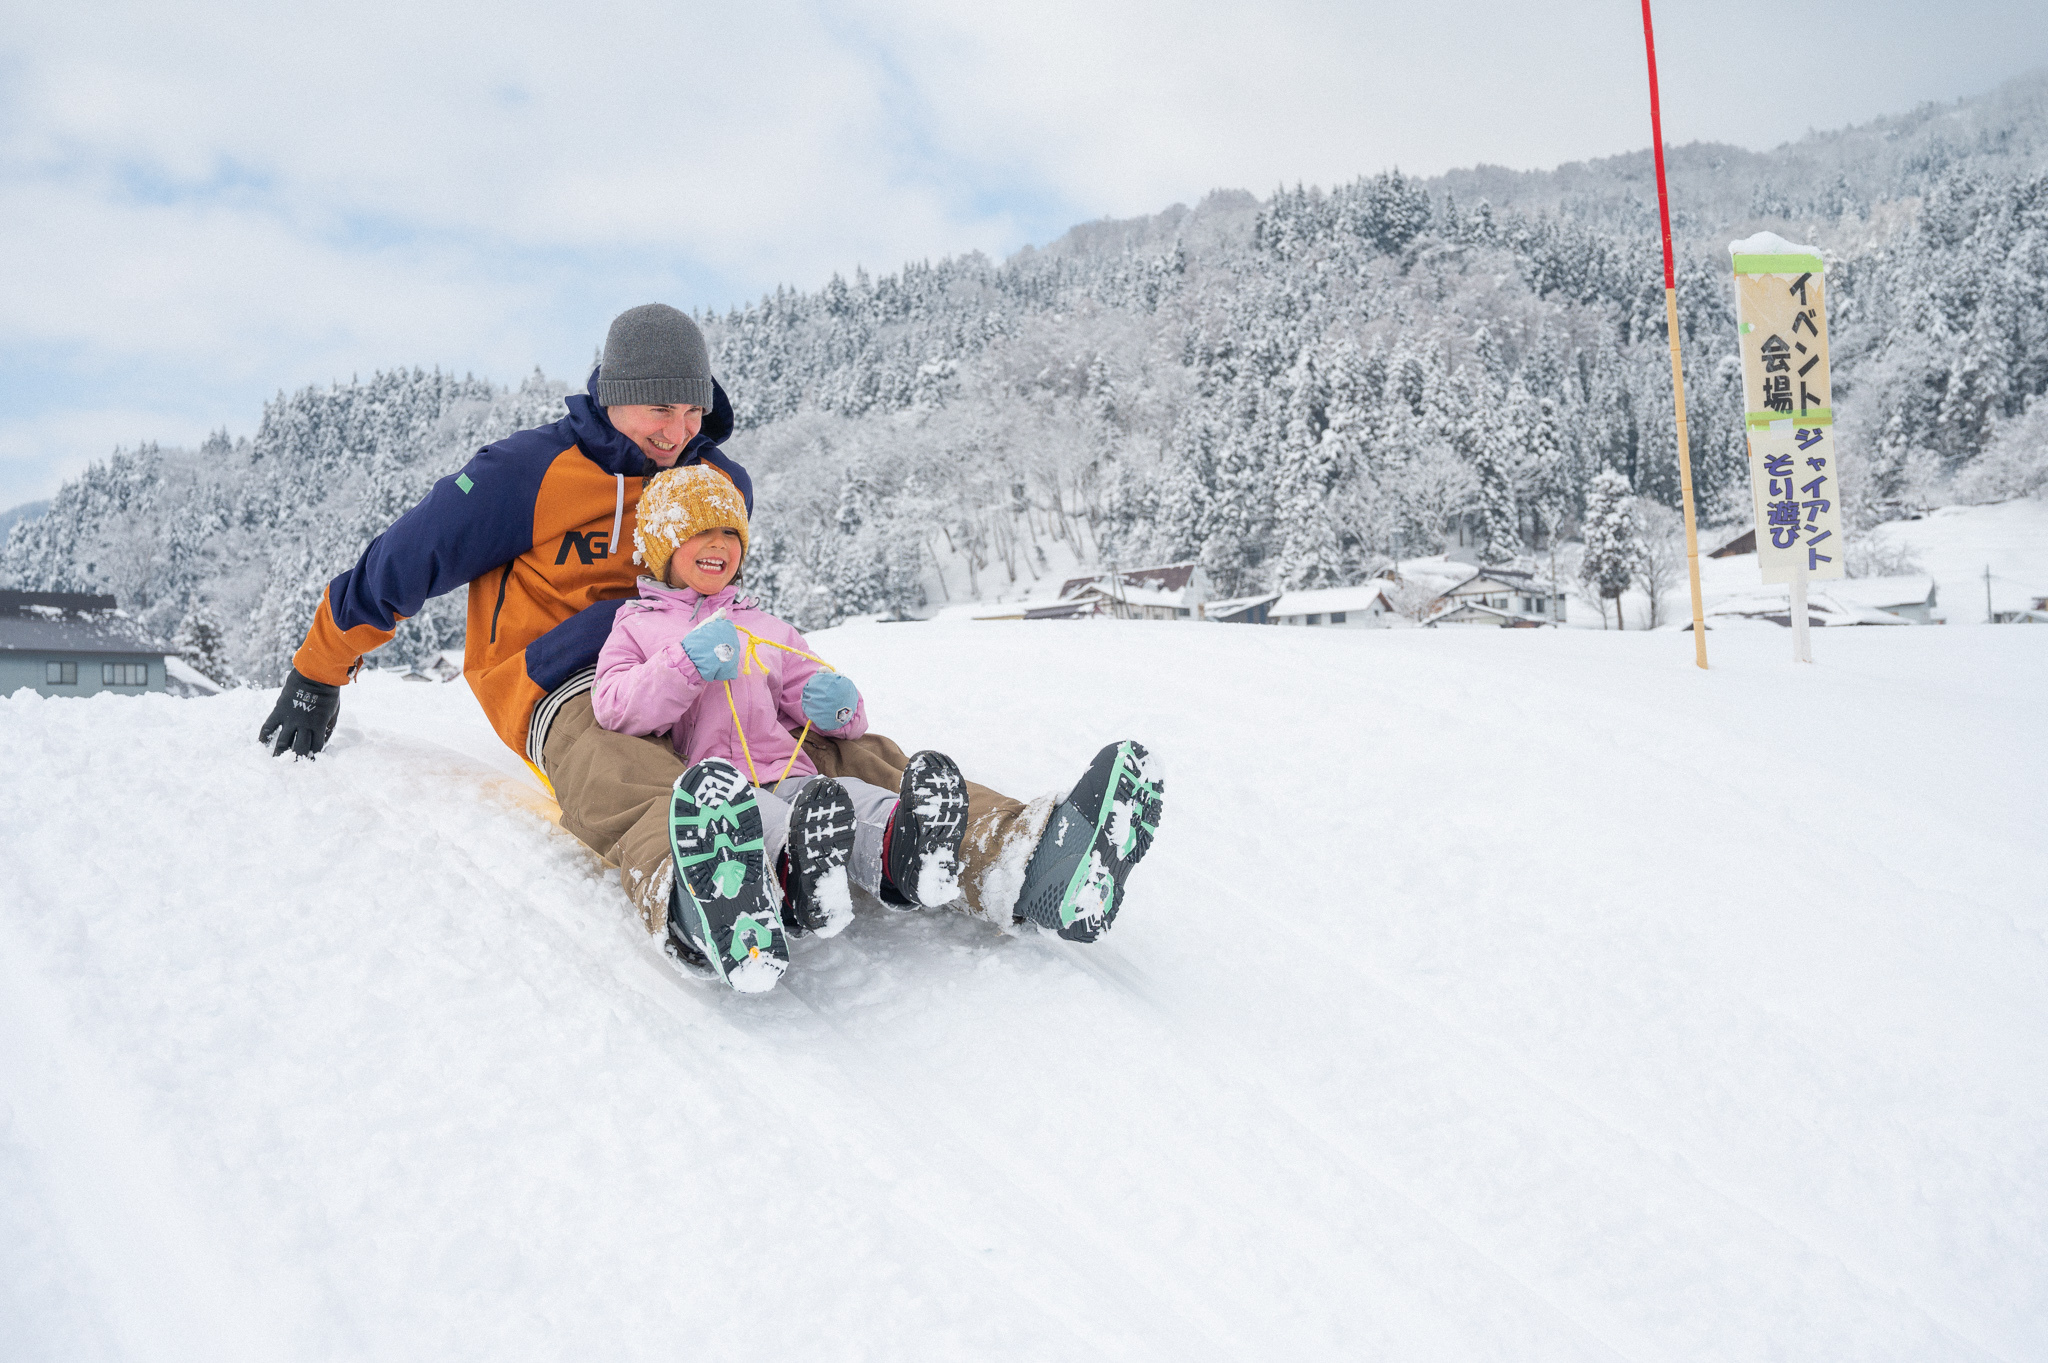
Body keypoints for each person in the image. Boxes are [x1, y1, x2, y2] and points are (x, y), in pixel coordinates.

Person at [256, 303, 1162, 969]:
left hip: (708, 663)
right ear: (614, 395)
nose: (677, 431)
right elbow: (404, 561)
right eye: (659, 411)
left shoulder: (711, 478)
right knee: (618, 767)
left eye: (691, 413)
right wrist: (318, 666)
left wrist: (789, 676)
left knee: (829, 742)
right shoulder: (525, 474)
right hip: (571, 681)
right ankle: (703, 887)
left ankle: (1011, 853)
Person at [590, 463, 982, 991]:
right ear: (664, 545)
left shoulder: (768, 629)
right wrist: (685, 663)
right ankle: (794, 877)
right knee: (766, 821)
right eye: (700, 530)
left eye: (731, 532)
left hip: (785, 769)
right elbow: (614, 706)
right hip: (716, 790)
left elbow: (819, 694)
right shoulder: (637, 627)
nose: (719, 544)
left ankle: (904, 846)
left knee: (846, 798)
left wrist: (840, 708)